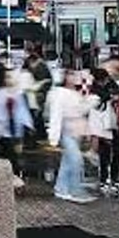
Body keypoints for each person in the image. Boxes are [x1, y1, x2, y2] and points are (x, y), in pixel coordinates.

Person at [48, 69, 93, 203]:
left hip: (76, 132)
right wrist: (53, 136)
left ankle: (61, 188)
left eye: (76, 75)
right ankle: (74, 190)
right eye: (72, 75)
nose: (75, 78)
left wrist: (90, 102)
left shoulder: (76, 94)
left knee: (68, 161)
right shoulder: (59, 94)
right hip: (66, 131)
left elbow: (80, 111)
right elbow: (56, 115)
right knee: (75, 159)